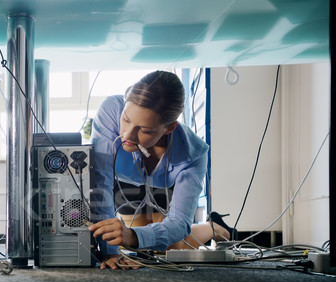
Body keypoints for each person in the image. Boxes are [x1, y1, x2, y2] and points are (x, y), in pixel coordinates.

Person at [88, 70, 236, 269]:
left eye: (145, 130)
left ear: (169, 128)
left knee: (168, 247)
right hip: (123, 184)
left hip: (166, 189)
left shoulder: (194, 154)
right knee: (129, 245)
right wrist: (109, 252)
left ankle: (215, 228)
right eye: (126, 119)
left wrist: (132, 236)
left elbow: (178, 223)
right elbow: (100, 181)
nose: (127, 135)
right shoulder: (111, 110)